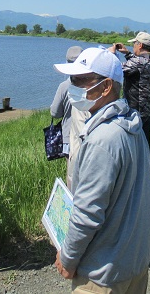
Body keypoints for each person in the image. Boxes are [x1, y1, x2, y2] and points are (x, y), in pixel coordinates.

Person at [53, 47, 150, 293]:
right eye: (71, 79)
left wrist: (68, 258)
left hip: (103, 274)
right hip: (132, 262)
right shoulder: (130, 123)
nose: (72, 86)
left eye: (79, 80)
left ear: (106, 86)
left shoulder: (102, 139)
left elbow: (88, 213)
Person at [110, 31, 150, 158]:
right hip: (149, 109)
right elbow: (138, 65)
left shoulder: (137, 63)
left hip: (136, 110)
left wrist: (112, 54)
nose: (133, 47)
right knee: (145, 141)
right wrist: (127, 54)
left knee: (134, 145)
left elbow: (114, 69)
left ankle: (137, 175)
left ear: (140, 45)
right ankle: (147, 174)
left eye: (135, 44)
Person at [50, 46, 89, 190]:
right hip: (90, 133)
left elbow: (55, 113)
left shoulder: (64, 86)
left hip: (68, 136)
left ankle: (73, 203)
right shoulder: (91, 84)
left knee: (72, 173)